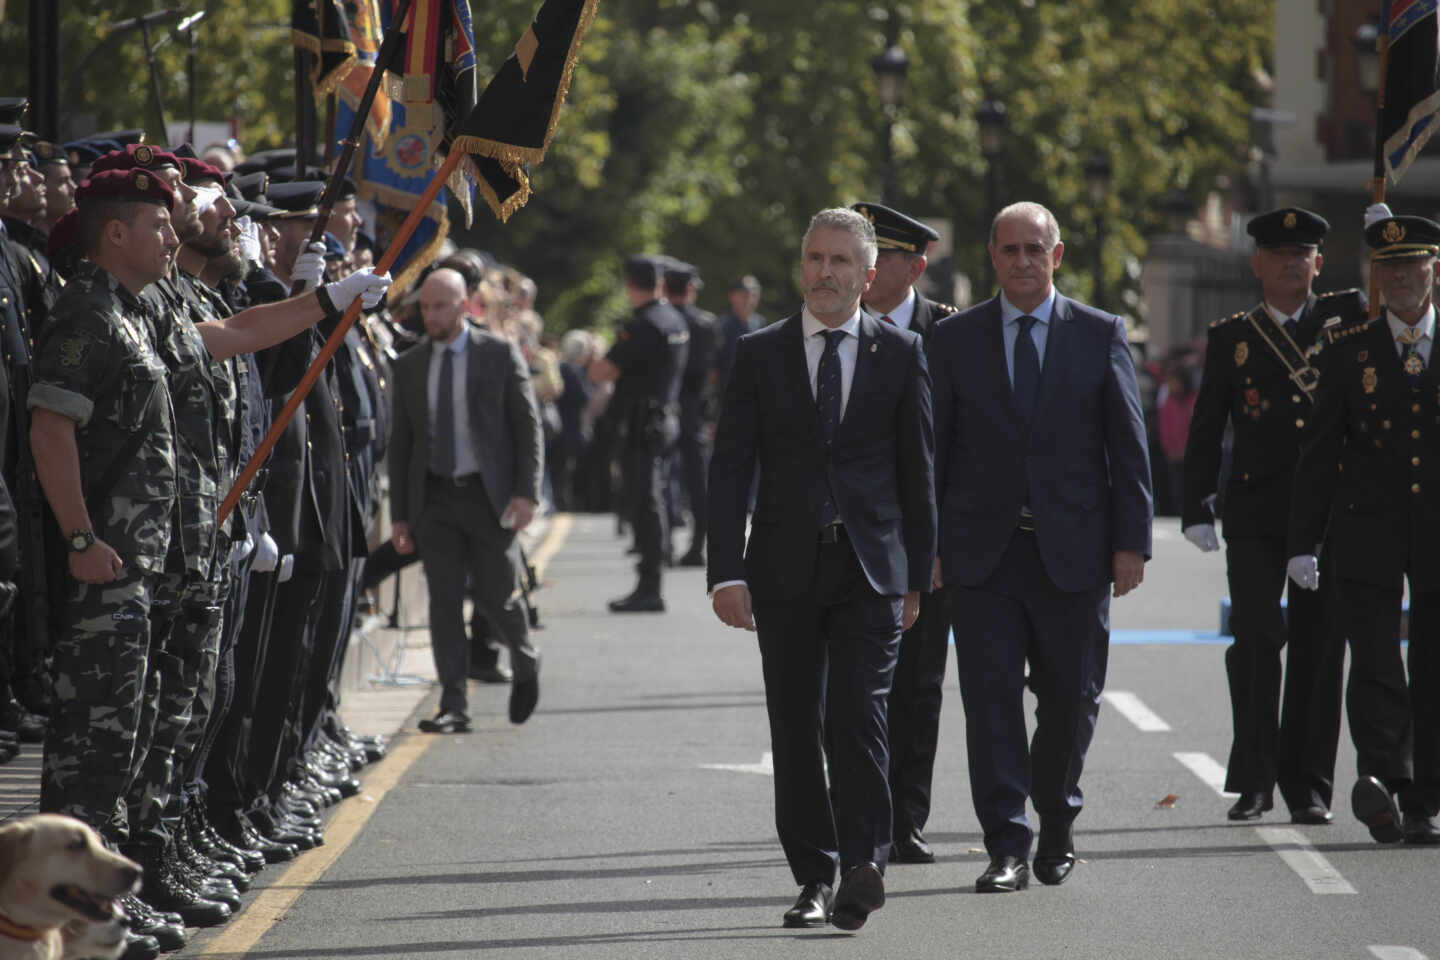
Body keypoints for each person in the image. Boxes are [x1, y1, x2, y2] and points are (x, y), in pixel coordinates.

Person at [708, 207, 935, 932]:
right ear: (801, 267)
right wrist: (725, 571)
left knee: (860, 716)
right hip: (783, 569)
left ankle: (863, 863)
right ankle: (813, 875)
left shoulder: (899, 354)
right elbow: (729, 469)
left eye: (841, 262)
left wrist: (918, 574)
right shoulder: (759, 353)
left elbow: (917, 472)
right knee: (797, 725)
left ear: (869, 277)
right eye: (815, 259)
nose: (825, 273)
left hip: (871, 569)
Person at [930, 201, 1152, 892]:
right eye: (1010, 249)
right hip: (981, 557)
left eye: (1036, 249)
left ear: (1057, 257)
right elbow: (933, 450)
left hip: (1075, 553)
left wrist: (1131, 544)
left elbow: (1128, 445)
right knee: (990, 702)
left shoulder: (1100, 333)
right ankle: (1006, 843)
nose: (1023, 261)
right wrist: (927, 544)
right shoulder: (954, 338)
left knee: (1069, 699)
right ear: (991, 257)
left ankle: (1056, 819)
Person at [1182, 207, 1352, 825]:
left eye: (1300, 253)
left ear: (1319, 264)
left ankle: (1309, 785)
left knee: (1320, 646)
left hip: (1328, 513)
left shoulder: (1347, 321)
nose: (1289, 263)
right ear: (1255, 264)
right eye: (1277, 254)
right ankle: (1254, 780)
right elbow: (1207, 427)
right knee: (1255, 641)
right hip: (1256, 510)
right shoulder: (1234, 337)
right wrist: (1197, 500)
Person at [1288, 209, 1440, 846]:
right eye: (1390, 269)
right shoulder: (1349, 349)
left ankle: (1426, 799)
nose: (1401, 279)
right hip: (1366, 529)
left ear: (1434, 271)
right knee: (1376, 664)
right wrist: (1303, 542)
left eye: (1412, 266)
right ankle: (1385, 782)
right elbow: (1320, 452)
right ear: (1376, 278)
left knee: (1432, 667)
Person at [389, 267, 542, 732]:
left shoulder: (497, 353)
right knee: (444, 602)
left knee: (499, 597)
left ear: (464, 305)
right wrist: (400, 516)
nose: (430, 315)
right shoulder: (410, 364)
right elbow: (403, 445)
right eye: (425, 307)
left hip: (487, 496)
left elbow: (526, 424)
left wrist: (526, 493)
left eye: (440, 306)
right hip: (435, 501)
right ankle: (454, 702)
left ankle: (525, 657)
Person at [851, 201, 957, 865]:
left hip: (922, 541)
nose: (866, 265)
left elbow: (962, 448)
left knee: (918, 685)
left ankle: (904, 819)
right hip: (850, 537)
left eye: (881, 253)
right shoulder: (833, 325)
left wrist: (939, 544)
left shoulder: (948, 333)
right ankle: (858, 814)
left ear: (915, 265)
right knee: (851, 687)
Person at [589, 255, 689, 612]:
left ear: (631, 286)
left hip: (641, 424)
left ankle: (650, 585)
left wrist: (592, 358)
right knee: (653, 500)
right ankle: (652, 578)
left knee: (645, 503)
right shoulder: (674, 319)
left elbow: (602, 371)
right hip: (665, 417)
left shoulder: (643, 325)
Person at [664, 259, 718, 567]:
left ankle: (663, 543)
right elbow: (712, 371)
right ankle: (697, 543)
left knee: (660, 479)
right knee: (698, 482)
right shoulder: (705, 324)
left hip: (664, 406)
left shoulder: (660, 320)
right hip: (694, 409)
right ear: (688, 290)